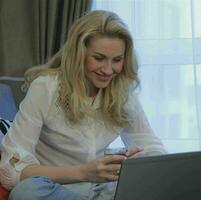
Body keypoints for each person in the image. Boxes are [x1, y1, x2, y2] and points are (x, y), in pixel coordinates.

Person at [0, 10, 166, 200]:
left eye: (117, 60)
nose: (108, 70)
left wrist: (140, 160)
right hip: (57, 189)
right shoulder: (46, 87)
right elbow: (12, 170)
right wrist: (83, 173)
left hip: (104, 189)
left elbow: (153, 147)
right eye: (99, 58)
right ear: (79, 54)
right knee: (26, 192)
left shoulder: (122, 90)